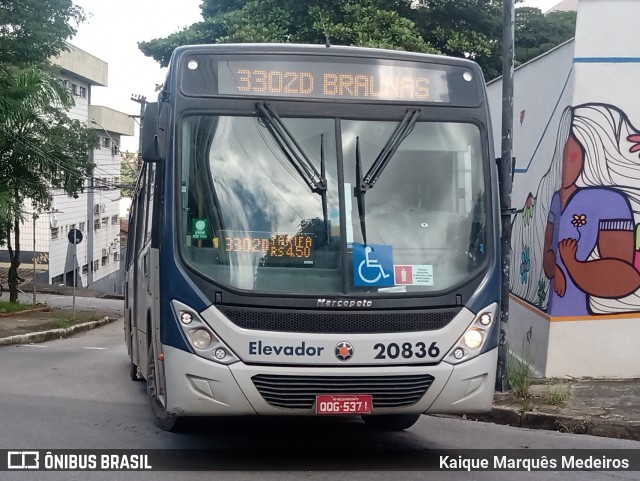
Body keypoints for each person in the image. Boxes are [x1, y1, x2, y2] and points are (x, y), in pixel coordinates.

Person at [542, 104, 640, 316]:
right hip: (559, 311)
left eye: (572, 153)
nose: (565, 161)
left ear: (591, 150)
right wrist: (555, 267)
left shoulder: (609, 201)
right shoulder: (556, 200)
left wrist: (573, 264)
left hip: (582, 317)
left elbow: (624, 276)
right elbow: (547, 252)